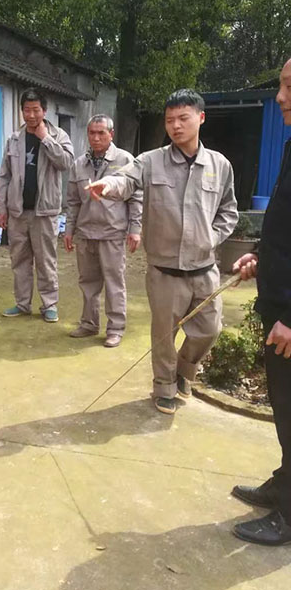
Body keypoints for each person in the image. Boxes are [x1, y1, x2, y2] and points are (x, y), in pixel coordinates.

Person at [87, 89, 238, 414]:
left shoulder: (219, 165)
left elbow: (229, 211)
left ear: (200, 118)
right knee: (164, 337)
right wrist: (107, 187)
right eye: (170, 120)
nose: (176, 126)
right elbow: (125, 180)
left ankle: (185, 371)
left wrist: (211, 238)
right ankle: (165, 388)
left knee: (210, 329)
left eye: (183, 118)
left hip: (204, 268)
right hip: (164, 271)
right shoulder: (150, 162)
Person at [229, 58, 291, 546]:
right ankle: (284, 485)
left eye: (289, 87)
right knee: (284, 407)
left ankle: (289, 517)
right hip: (278, 304)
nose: (280, 97)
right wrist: (259, 257)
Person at [0, 87, 74, 323]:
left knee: (45, 260)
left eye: (35, 110)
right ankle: (22, 304)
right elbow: (4, 176)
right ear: (21, 111)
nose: (31, 115)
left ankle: (49, 305)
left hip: (45, 212)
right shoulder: (14, 139)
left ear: (44, 110)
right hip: (18, 212)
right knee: (19, 260)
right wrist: (3, 208)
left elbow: (66, 163)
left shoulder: (58, 135)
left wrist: (45, 139)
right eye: (26, 110)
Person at [64, 114, 142, 348]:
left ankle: (116, 328)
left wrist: (135, 229)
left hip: (112, 233)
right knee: (88, 281)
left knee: (114, 282)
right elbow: (73, 201)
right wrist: (69, 230)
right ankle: (89, 323)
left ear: (111, 134)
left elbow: (136, 197)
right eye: (92, 133)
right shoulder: (79, 164)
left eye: (101, 133)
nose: (96, 138)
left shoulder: (125, 160)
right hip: (86, 232)